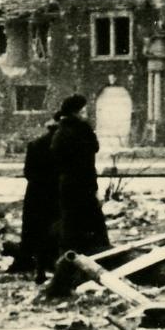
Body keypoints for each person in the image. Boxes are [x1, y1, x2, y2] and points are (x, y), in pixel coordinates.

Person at [50, 94, 109, 256]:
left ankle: (69, 254)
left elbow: (56, 157)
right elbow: (94, 149)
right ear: (76, 112)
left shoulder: (60, 132)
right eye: (83, 110)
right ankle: (99, 251)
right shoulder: (82, 130)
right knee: (93, 219)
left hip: (67, 183)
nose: (86, 112)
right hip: (84, 182)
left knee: (70, 220)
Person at [16, 119, 60, 279]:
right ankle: (51, 263)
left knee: (36, 228)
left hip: (36, 192)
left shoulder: (34, 144)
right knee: (53, 227)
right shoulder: (61, 145)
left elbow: (28, 171)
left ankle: (37, 265)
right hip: (55, 193)